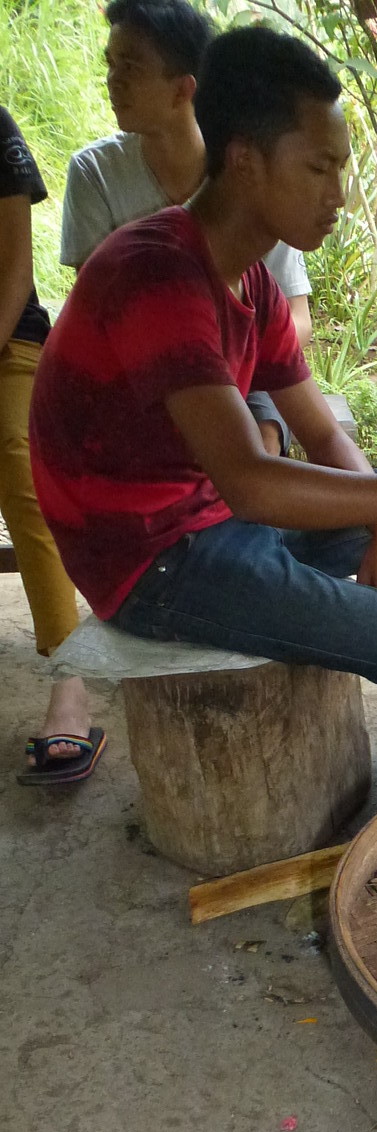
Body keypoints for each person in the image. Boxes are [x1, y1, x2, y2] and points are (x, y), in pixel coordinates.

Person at [30, 26, 377, 769]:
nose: (338, 197)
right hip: (151, 564)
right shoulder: (155, 274)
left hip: (209, 520)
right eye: (319, 168)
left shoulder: (253, 283)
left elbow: (320, 431)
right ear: (244, 161)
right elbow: (249, 483)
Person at [62, 0, 311, 456]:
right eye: (110, 63)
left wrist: (241, 367)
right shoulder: (95, 173)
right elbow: (108, 315)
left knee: (265, 440)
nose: (112, 79)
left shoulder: (242, 178)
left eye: (131, 66)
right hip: (142, 379)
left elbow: (297, 319)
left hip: (243, 375)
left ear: (183, 90)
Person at [0, 106, 104, 783]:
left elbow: (14, 271)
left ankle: (71, 682)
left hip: (10, 341)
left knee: (19, 465)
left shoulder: (0, 135)